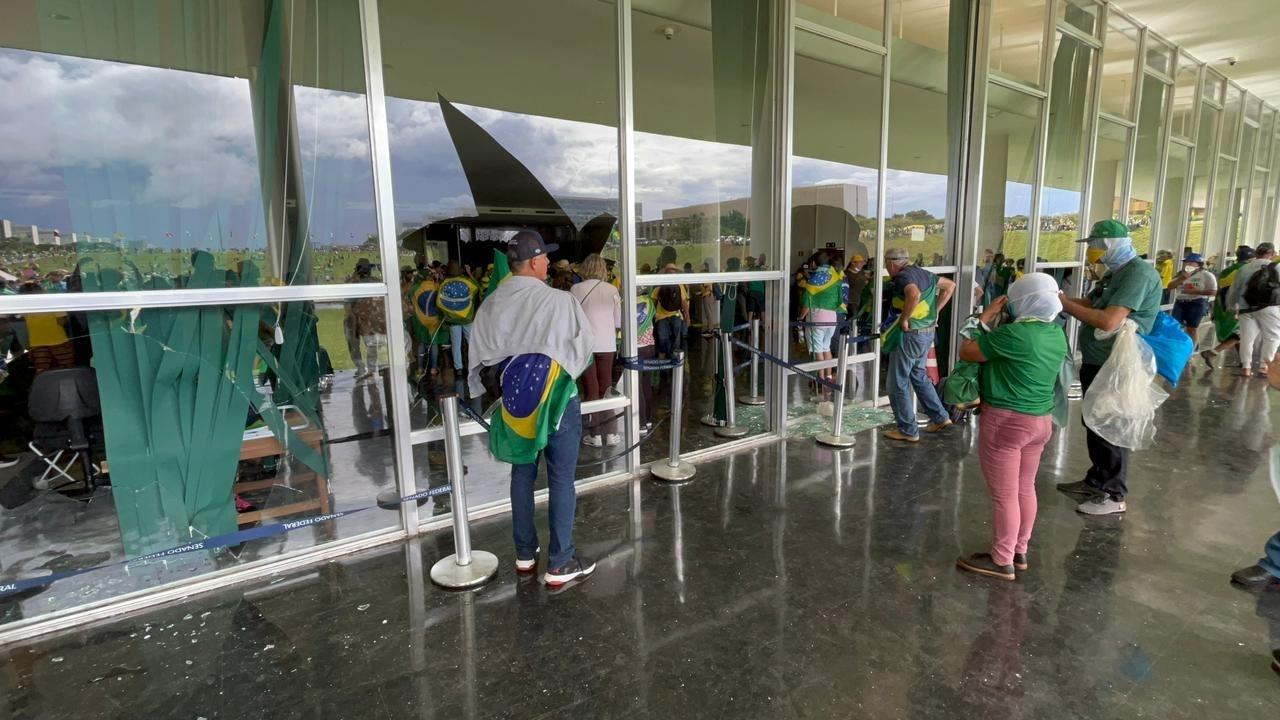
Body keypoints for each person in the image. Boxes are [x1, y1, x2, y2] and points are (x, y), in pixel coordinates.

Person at [468, 230, 596, 586]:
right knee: (561, 478)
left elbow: (478, 360)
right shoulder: (560, 300)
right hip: (558, 404)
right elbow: (584, 350)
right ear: (537, 261)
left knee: (522, 475)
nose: (549, 264)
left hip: (514, 406)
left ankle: (525, 555)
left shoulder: (491, 303)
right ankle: (561, 562)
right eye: (546, 259)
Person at [955, 273, 1068, 580]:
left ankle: (1001, 559)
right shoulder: (1056, 333)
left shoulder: (1015, 336)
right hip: (1040, 422)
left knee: (1004, 495)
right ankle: (1019, 551)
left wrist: (985, 316)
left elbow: (967, 351)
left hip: (1007, 422)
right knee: (1024, 488)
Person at [1058, 219, 1162, 516]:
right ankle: (1096, 479)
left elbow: (1108, 320)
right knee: (1094, 420)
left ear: (1112, 244)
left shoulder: (1138, 275)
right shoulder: (1114, 274)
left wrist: (1064, 305)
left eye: (1097, 245)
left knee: (1110, 425)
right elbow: (1090, 303)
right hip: (1097, 360)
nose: (1094, 252)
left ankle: (1113, 493)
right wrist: (1054, 298)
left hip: (1114, 365)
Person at [882, 247, 956, 442]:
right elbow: (950, 286)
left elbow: (913, 295)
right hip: (927, 333)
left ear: (890, 263)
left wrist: (905, 319)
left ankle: (908, 430)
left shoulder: (903, 277)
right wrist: (935, 311)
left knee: (897, 382)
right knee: (918, 375)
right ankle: (940, 417)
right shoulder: (923, 273)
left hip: (910, 335)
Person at [570, 254, 622, 448]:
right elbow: (618, 322)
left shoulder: (575, 289)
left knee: (590, 389)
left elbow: (572, 319)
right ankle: (611, 433)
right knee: (606, 388)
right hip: (607, 344)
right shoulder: (612, 290)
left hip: (586, 346)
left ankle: (595, 435)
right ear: (602, 269)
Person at [1228, 242, 1280, 378]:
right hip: (1269, 307)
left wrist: (1232, 307)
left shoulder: (1244, 268)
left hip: (1246, 308)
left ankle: (1246, 368)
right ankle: (1264, 366)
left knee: (1246, 338)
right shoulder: (1277, 267)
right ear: (1272, 254)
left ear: (1256, 253)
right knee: (1272, 337)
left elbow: (1234, 289)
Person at [797, 253, 843, 395]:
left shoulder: (815, 279)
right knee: (826, 347)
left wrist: (800, 317)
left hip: (817, 318)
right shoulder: (836, 276)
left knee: (817, 349)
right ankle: (828, 376)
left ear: (814, 264)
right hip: (832, 317)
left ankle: (820, 378)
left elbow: (806, 303)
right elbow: (840, 298)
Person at [1203, 245, 1255, 370]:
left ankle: (1243, 362)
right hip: (1237, 307)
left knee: (1238, 333)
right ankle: (1213, 352)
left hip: (1222, 306)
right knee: (1241, 333)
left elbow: (1219, 290)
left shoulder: (1227, 270)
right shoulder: (1247, 270)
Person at [1168, 253, 1217, 344]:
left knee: (1192, 328)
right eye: (1186, 262)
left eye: (1191, 263)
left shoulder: (1207, 275)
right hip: (1180, 302)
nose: (1188, 264)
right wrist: (1181, 278)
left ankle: (1191, 349)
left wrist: (1196, 292)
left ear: (1199, 264)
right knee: (1175, 326)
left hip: (1196, 302)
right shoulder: (1181, 274)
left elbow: (1213, 292)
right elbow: (1170, 286)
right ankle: (1180, 346)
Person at [652, 264, 690, 363]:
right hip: (674, 315)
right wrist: (687, 316)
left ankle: (664, 362)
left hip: (662, 316)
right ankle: (672, 361)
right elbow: (684, 302)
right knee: (672, 340)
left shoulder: (660, 285)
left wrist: (652, 316)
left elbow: (653, 301)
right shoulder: (678, 285)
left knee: (663, 339)